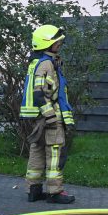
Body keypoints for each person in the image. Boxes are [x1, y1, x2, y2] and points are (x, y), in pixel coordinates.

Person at [20, 24, 76, 204]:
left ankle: (33, 190)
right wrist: (51, 116)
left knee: (37, 151)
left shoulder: (37, 61)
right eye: (57, 42)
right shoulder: (46, 64)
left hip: (38, 117)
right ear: (47, 44)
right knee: (54, 153)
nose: (60, 44)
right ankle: (55, 192)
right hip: (49, 116)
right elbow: (39, 93)